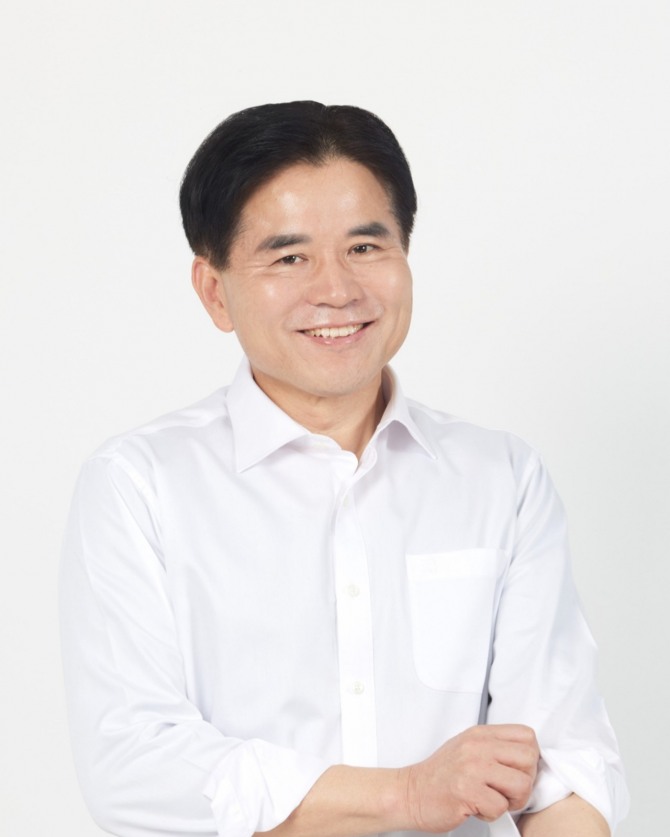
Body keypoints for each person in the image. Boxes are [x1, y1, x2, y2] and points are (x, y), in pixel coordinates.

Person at [59, 101, 629, 837]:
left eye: (365, 246)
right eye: (288, 257)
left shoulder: (502, 478)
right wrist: (406, 796)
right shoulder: (139, 485)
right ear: (214, 291)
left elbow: (559, 764)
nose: (336, 289)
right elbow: (135, 767)